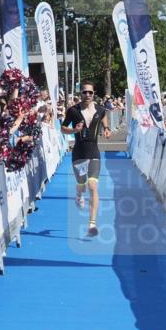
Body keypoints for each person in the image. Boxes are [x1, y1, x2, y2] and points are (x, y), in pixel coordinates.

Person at [61, 80, 111, 236]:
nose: (88, 95)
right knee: (82, 184)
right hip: (78, 153)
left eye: (90, 92)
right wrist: (73, 130)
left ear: (94, 93)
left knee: (92, 186)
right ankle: (79, 194)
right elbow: (63, 128)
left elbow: (105, 124)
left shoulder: (101, 110)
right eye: (85, 92)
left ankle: (92, 224)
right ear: (80, 93)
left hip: (94, 152)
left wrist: (107, 130)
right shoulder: (72, 111)